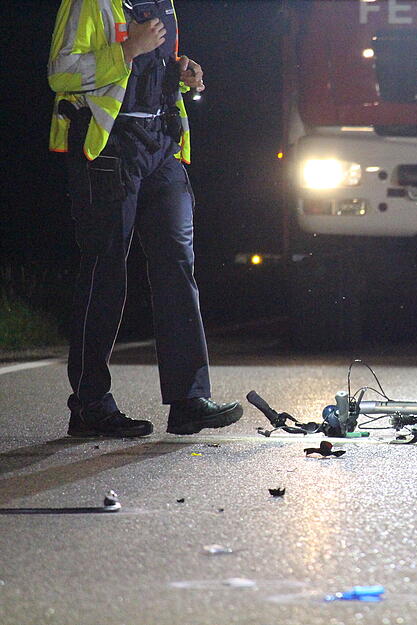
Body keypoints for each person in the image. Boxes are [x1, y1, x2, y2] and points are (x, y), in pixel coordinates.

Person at [48, 0, 242, 437]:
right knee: (105, 269)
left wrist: (182, 73)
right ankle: (90, 405)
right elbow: (60, 72)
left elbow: (151, 72)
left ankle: (189, 401)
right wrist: (127, 50)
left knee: (178, 265)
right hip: (108, 147)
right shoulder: (90, 3)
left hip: (162, 144)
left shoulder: (162, 4)